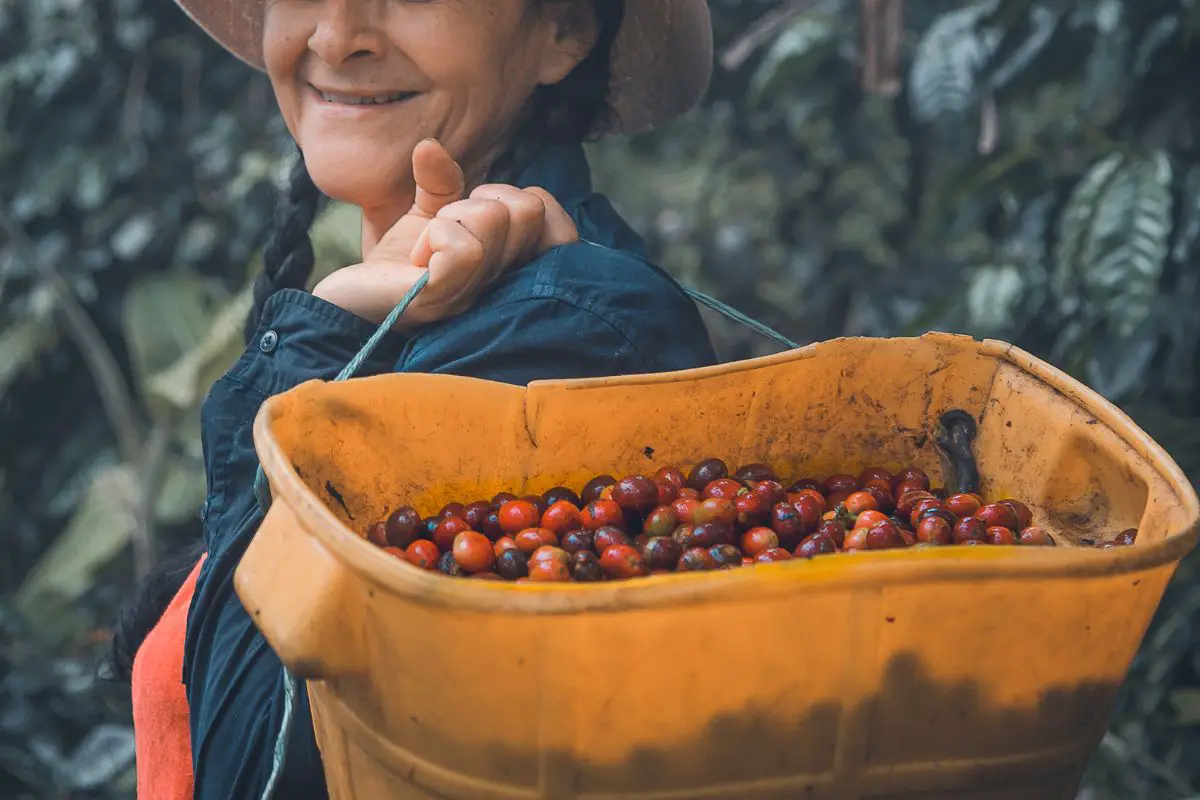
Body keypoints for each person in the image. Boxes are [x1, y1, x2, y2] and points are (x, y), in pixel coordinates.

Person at [108, 0, 718, 797]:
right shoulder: (393, 331)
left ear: (564, 29)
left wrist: (319, 339)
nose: (335, 36)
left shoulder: (558, 333)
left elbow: (258, 770)